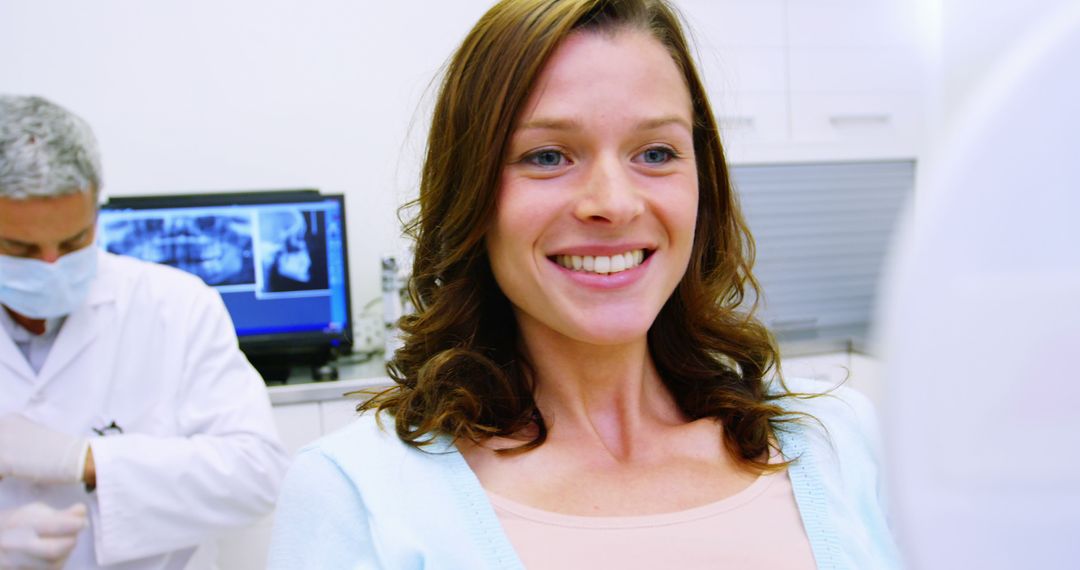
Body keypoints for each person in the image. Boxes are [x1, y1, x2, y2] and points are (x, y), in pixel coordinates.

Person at [268, 0, 900, 568]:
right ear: (471, 195)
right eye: (548, 156)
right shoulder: (359, 495)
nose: (613, 204)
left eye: (655, 153)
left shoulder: (837, 439)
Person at [0, 95, 289, 569]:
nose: (51, 266)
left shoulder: (174, 305)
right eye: (20, 248)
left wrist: (88, 460)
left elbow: (256, 476)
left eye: (73, 242)